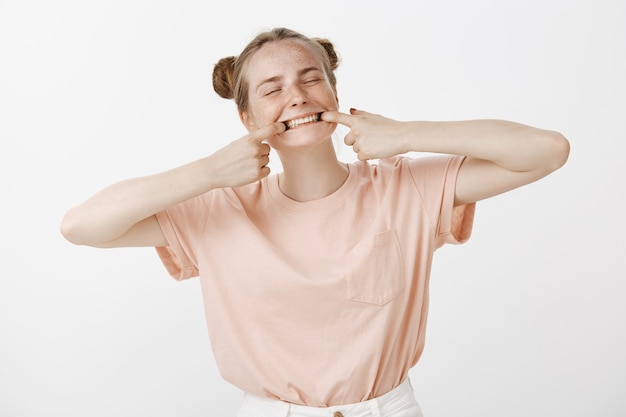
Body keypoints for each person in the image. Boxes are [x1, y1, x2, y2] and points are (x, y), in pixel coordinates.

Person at [61, 27, 570, 417]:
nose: (298, 96)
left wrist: (407, 134)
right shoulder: (217, 208)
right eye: (272, 89)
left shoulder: (403, 186)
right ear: (247, 117)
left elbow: (547, 151)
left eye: (311, 78)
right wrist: (209, 172)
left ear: (332, 90)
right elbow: (81, 227)